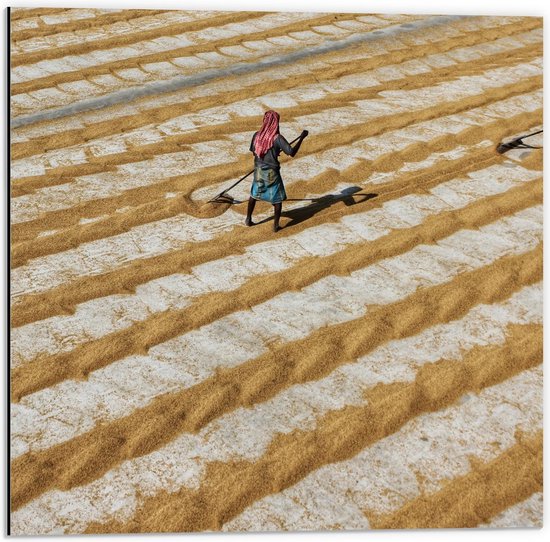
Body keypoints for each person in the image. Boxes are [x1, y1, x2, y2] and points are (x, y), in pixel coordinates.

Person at [246, 110, 308, 232]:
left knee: (254, 194)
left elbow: (254, 152)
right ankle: (275, 226)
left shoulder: (256, 135)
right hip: (271, 173)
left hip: (258, 170)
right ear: (276, 123)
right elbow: (291, 152)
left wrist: (271, 152)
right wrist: (301, 138)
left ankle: (248, 219)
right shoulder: (277, 138)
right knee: (277, 199)